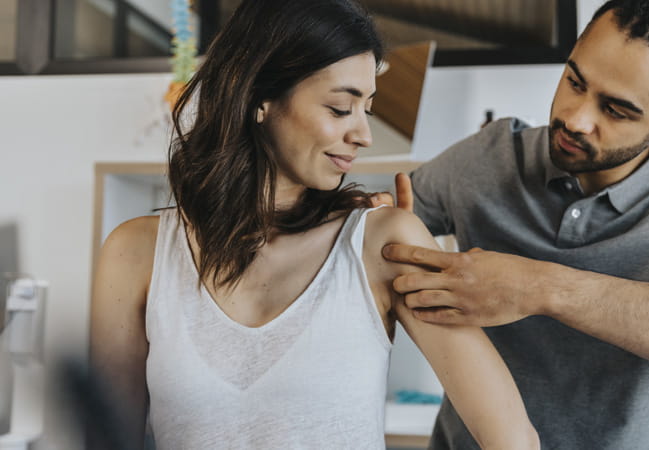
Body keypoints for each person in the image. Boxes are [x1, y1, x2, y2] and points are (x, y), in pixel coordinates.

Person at [89, 1, 539, 449]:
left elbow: (513, 440)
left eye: (368, 108)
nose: (363, 134)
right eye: (341, 108)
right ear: (259, 97)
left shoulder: (382, 243)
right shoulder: (136, 253)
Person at [380, 1, 649, 449]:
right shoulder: (489, 158)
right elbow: (375, 227)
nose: (576, 118)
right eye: (574, 81)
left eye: (615, 110)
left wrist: (540, 288)